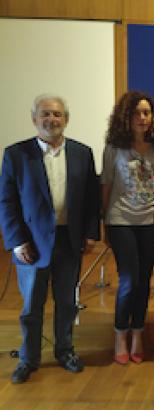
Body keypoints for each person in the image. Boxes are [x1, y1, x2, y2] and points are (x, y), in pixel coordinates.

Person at [0, 94, 100, 384]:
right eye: (45, 114)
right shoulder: (16, 154)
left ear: (66, 119)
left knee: (67, 302)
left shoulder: (83, 152)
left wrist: (92, 234)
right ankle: (29, 358)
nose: (51, 120)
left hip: (70, 240)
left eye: (57, 114)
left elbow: (92, 199)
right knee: (32, 305)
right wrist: (17, 242)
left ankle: (65, 351)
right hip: (31, 244)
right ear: (34, 119)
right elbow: (6, 202)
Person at [101, 91, 154, 365]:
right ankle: (120, 333)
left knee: (143, 281)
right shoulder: (114, 147)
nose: (142, 118)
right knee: (129, 279)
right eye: (136, 113)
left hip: (151, 223)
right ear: (125, 118)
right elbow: (106, 185)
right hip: (121, 221)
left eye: (146, 113)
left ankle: (138, 332)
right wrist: (103, 221)